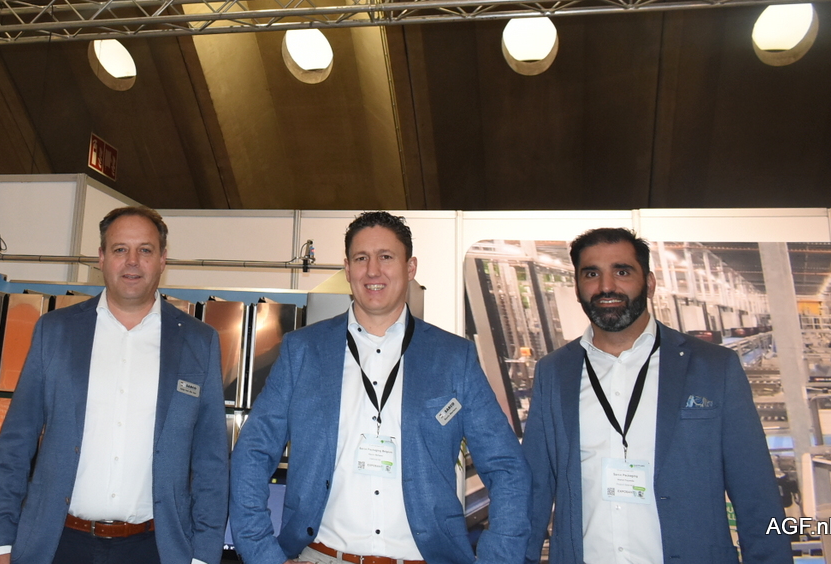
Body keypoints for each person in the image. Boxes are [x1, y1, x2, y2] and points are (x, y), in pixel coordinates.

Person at [230, 211, 531, 564]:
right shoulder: (303, 351)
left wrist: (498, 558)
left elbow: (506, 467)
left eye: (386, 257)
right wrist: (263, 555)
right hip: (322, 555)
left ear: (410, 267)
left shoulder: (453, 358)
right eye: (361, 258)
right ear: (347, 269)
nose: (373, 270)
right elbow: (252, 453)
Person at [523, 227, 792, 564]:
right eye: (591, 274)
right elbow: (533, 489)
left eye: (622, 272)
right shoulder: (553, 371)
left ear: (649, 283)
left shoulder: (714, 367)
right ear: (577, 288)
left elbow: (756, 491)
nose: (606, 286)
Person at [0, 206, 229, 564]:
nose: (132, 261)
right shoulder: (55, 331)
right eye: (120, 249)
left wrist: (203, 556)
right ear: (101, 257)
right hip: (58, 545)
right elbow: (15, 445)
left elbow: (211, 461)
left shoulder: (198, 341)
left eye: (145, 250)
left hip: (155, 549)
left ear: (162, 259)